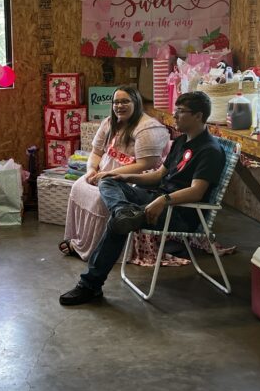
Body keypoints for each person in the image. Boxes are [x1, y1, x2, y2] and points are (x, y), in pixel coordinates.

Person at [59, 91, 226, 306]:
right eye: (175, 111)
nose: (174, 116)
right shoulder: (181, 141)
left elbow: (197, 192)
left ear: (198, 116)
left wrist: (162, 200)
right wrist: (123, 176)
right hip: (156, 197)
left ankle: (89, 286)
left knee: (117, 224)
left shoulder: (210, 150)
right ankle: (122, 211)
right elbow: (159, 175)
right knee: (109, 181)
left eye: (180, 112)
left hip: (180, 211)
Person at [58, 85, 169, 260]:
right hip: (105, 173)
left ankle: (97, 249)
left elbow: (145, 164)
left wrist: (111, 174)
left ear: (136, 103)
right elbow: (95, 152)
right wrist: (91, 170)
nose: (119, 106)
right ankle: (80, 240)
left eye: (125, 101)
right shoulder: (110, 122)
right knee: (78, 186)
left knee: (99, 200)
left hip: (134, 177)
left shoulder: (147, 128)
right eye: (116, 102)